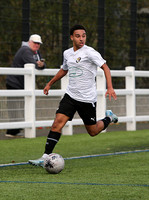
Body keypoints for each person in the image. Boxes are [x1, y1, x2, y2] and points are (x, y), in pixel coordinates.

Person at [28, 25, 118, 167]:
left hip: (87, 99)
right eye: (78, 36)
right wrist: (50, 83)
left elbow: (105, 67)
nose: (81, 39)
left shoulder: (90, 52)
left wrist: (110, 87)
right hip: (70, 96)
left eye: (83, 36)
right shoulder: (67, 53)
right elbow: (64, 70)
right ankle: (45, 156)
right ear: (71, 37)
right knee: (57, 122)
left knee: (93, 131)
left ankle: (109, 118)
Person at [6, 34, 46, 137]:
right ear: (30, 42)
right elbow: (33, 64)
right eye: (35, 43)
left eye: (38, 44)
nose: (37, 45)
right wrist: (39, 64)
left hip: (22, 84)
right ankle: (12, 131)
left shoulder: (36, 52)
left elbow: (41, 64)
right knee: (14, 107)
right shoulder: (25, 50)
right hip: (14, 83)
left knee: (21, 106)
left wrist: (41, 64)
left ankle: (15, 130)